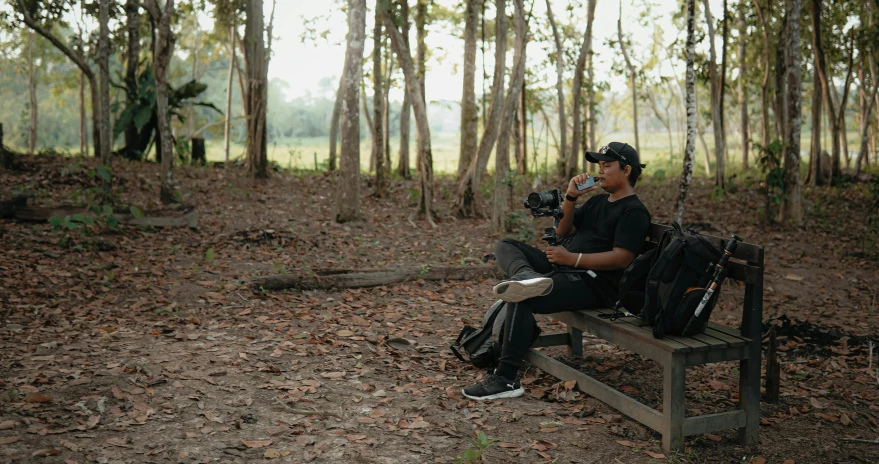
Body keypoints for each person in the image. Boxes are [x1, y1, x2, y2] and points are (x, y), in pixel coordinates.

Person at [463, 142, 651, 400]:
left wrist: (573, 259)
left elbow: (622, 258)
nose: (601, 171)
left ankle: (506, 379)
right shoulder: (597, 202)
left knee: (523, 295)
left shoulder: (634, 211)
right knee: (506, 245)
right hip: (565, 268)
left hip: (594, 284)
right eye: (599, 166)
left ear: (627, 170)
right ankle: (527, 276)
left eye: (607, 166)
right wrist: (571, 196)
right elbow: (564, 231)